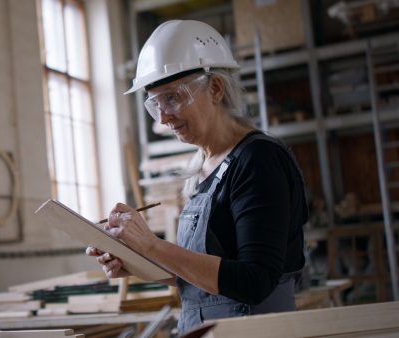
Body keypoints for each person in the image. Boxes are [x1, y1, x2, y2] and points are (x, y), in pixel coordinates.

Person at [86, 20, 308, 335]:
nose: (163, 118)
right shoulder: (205, 165)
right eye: (155, 104)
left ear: (215, 88)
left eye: (172, 98)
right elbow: (199, 275)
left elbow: (254, 281)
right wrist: (133, 258)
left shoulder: (258, 160)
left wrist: (153, 245)